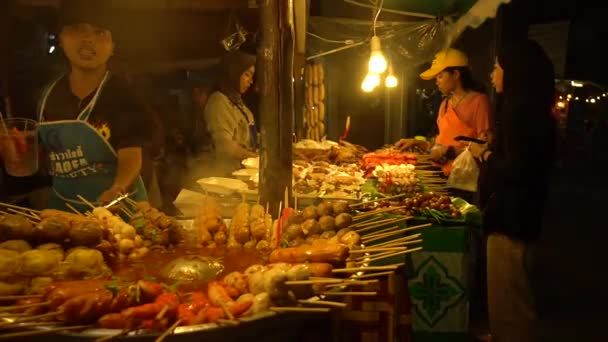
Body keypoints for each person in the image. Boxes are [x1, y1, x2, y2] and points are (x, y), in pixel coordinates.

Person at [469, 39, 556, 342]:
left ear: (515, 71)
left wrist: (486, 155)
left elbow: (518, 170)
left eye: (497, 67)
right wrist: (493, 143)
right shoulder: (531, 109)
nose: (492, 74)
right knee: (505, 295)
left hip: (513, 218)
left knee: (511, 298)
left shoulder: (521, 111)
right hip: (522, 215)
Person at [34, 1, 152, 212]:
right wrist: (15, 152)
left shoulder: (124, 95)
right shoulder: (47, 95)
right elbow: (43, 158)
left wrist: (118, 189)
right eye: (78, 30)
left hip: (117, 211)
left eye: (100, 33)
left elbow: (131, 156)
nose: (88, 40)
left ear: (113, 46)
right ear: (61, 39)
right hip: (63, 212)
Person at [397, 48, 491, 176]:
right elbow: (439, 146)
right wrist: (418, 143)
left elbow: (485, 147)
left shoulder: (479, 101)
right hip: (440, 174)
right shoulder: (445, 105)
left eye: (440, 76)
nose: (437, 82)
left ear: (456, 74)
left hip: (464, 178)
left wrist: (449, 151)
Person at [203, 51, 257, 176]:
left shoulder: (242, 107)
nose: (251, 81)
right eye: (247, 75)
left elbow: (252, 139)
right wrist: (256, 158)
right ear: (234, 73)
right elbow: (225, 146)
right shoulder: (218, 102)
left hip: (243, 176)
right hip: (225, 177)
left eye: (252, 76)